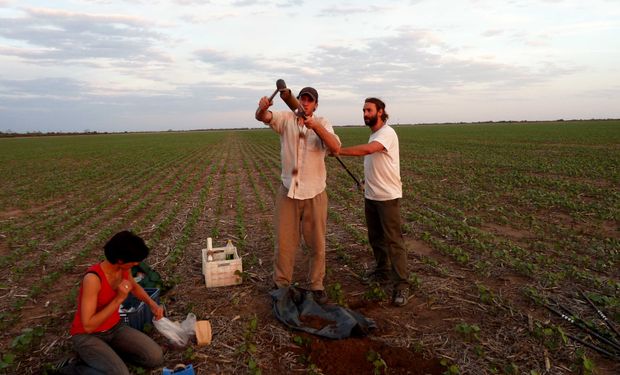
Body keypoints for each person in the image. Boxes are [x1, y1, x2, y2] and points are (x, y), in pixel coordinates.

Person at [255, 86, 341, 304]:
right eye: (302, 99)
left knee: (317, 244)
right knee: (284, 243)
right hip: (289, 192)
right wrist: (261, 108)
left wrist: (316, 127)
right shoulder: (286, 119)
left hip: (315, 193)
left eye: (309, 100)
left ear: (315, 105)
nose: (305, 103)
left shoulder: (323, 122)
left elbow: (335, 148)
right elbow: (263, 117)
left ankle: (316, 286)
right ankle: (281, 284)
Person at [336, 97, 410, 306]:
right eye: (363, 110)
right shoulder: (374, 134)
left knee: (394, 241)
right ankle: (381, 271)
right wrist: (364, 181)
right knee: (375, 238)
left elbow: (368, 151)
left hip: (387, 197)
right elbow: (375, 164)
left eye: (369, 110)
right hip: (371, 196)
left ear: (380, 112)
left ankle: (401, 285)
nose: (365, 114)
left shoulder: (387, 133)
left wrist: (339, 150)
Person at [60, 230, 164, 374]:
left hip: (115, 328)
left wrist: (152, 304)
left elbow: (134, 287)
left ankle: (107, 357)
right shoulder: (93, 279)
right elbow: (89, 325)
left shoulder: (123, 270)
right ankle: (74, 369)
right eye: (133, 261)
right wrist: (119, 298)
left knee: (155, 357)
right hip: (88, 336)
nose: (137, 264)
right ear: (120, 260)